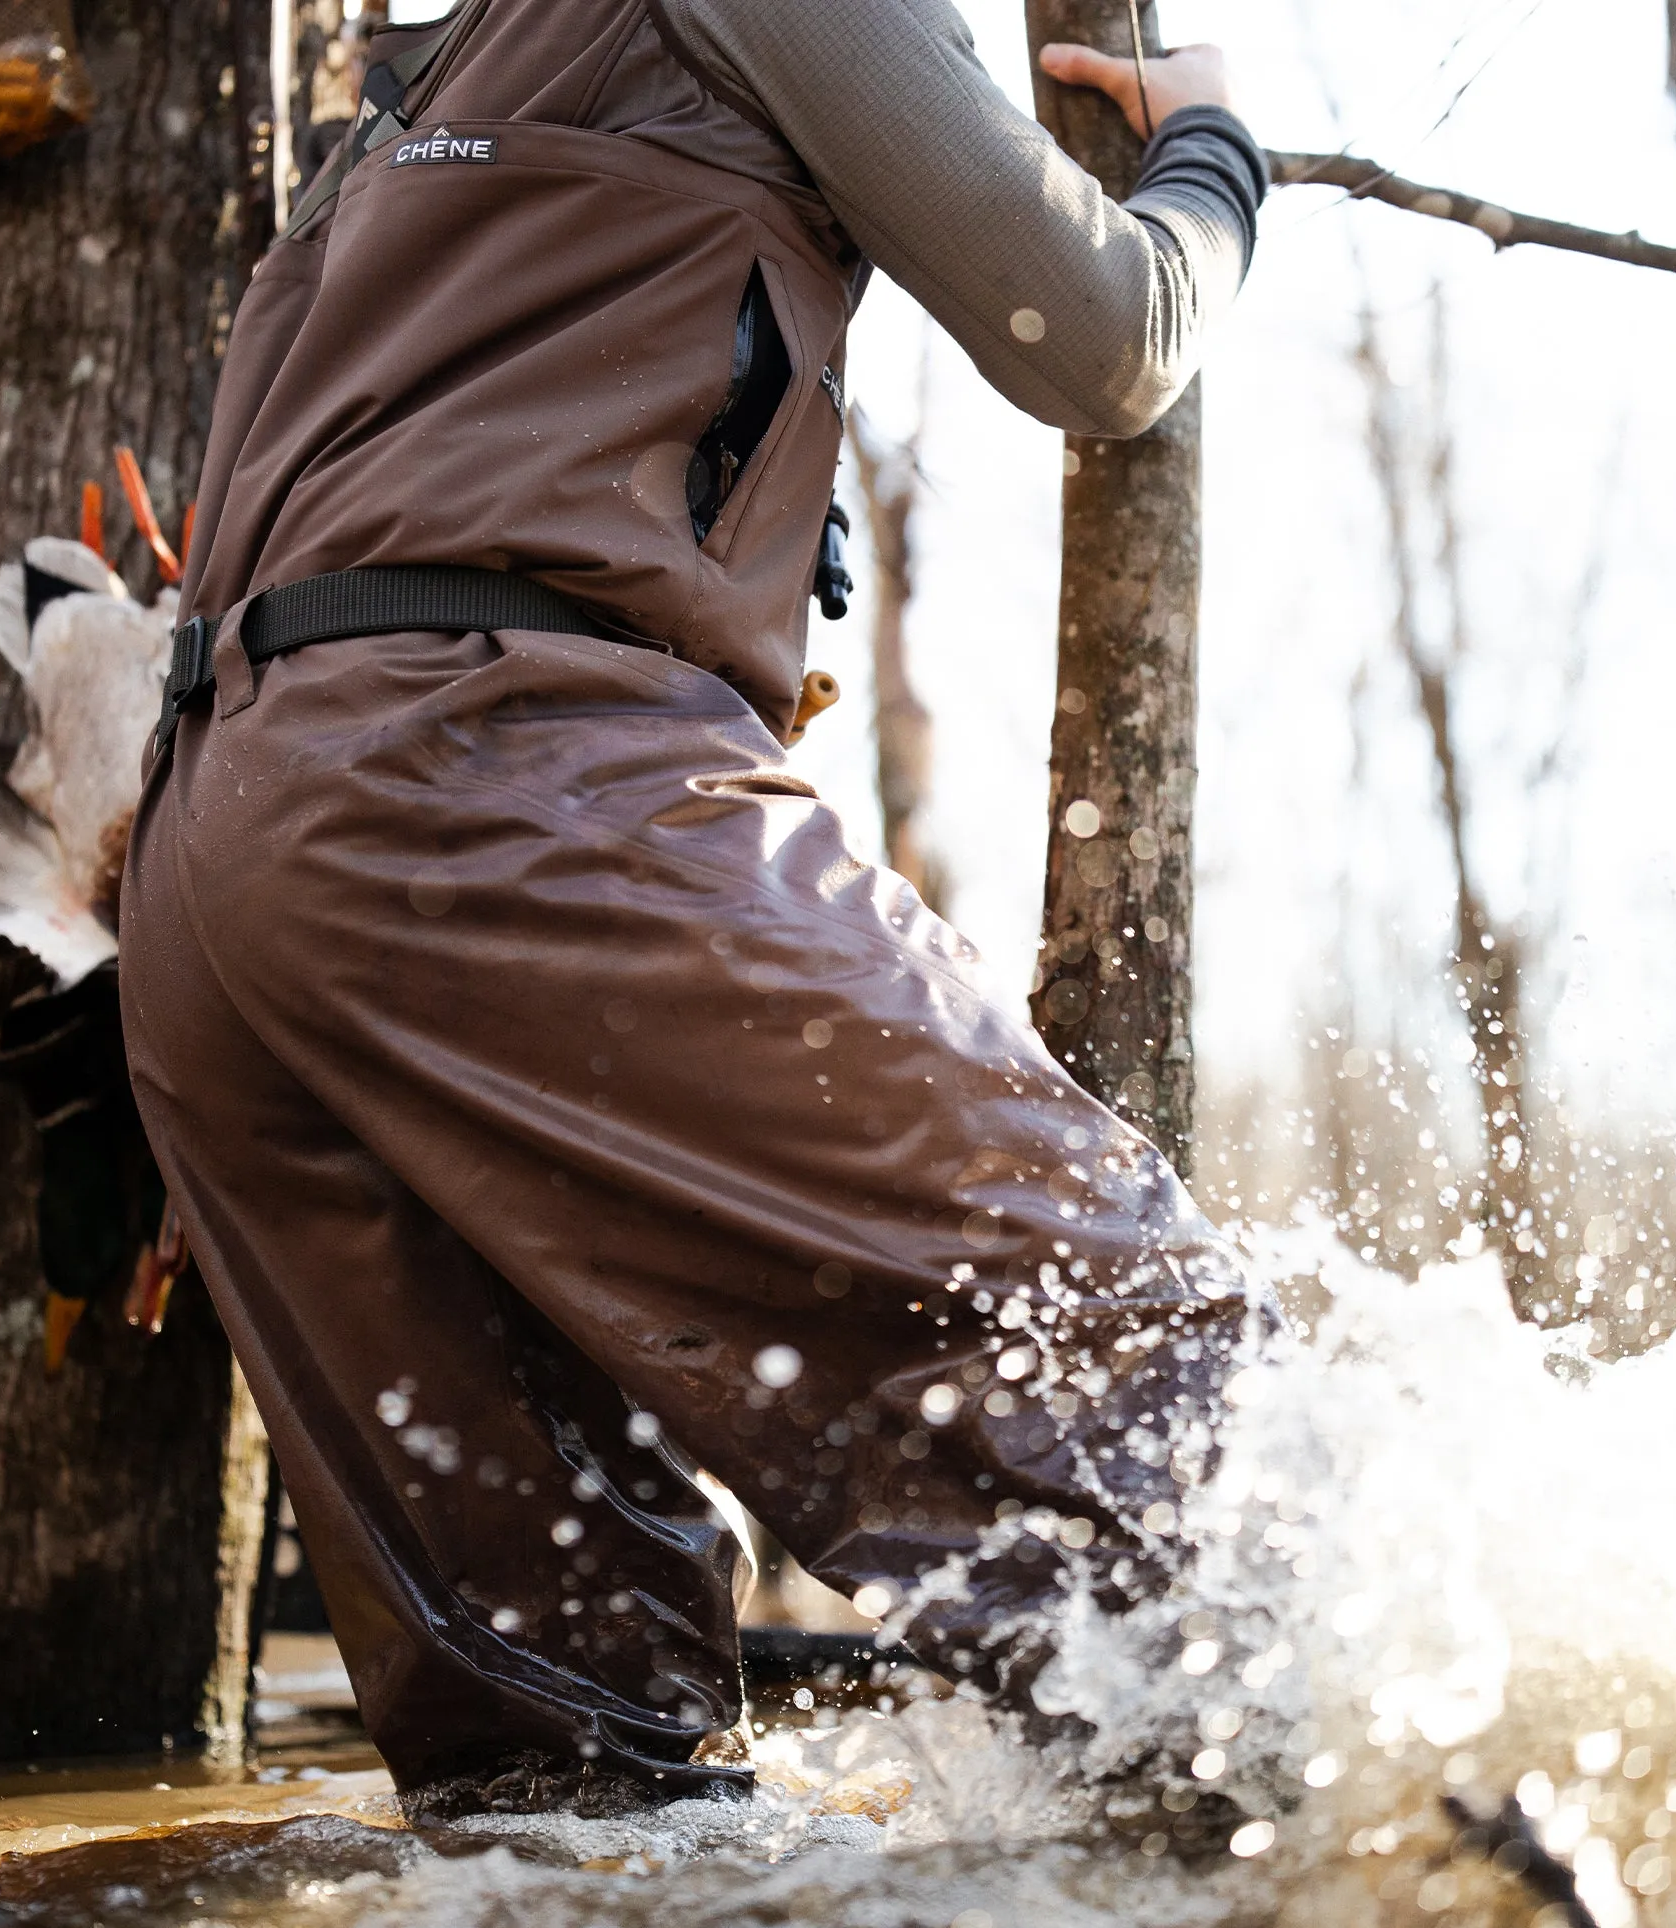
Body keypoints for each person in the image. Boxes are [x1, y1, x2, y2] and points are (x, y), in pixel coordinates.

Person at [121, 0, 1271, 1812]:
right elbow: (1109, 337)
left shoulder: (425, 80)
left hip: (226, 871)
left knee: (570, 1776)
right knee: (1173, 1393)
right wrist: (1212, 148)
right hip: (490, 779)